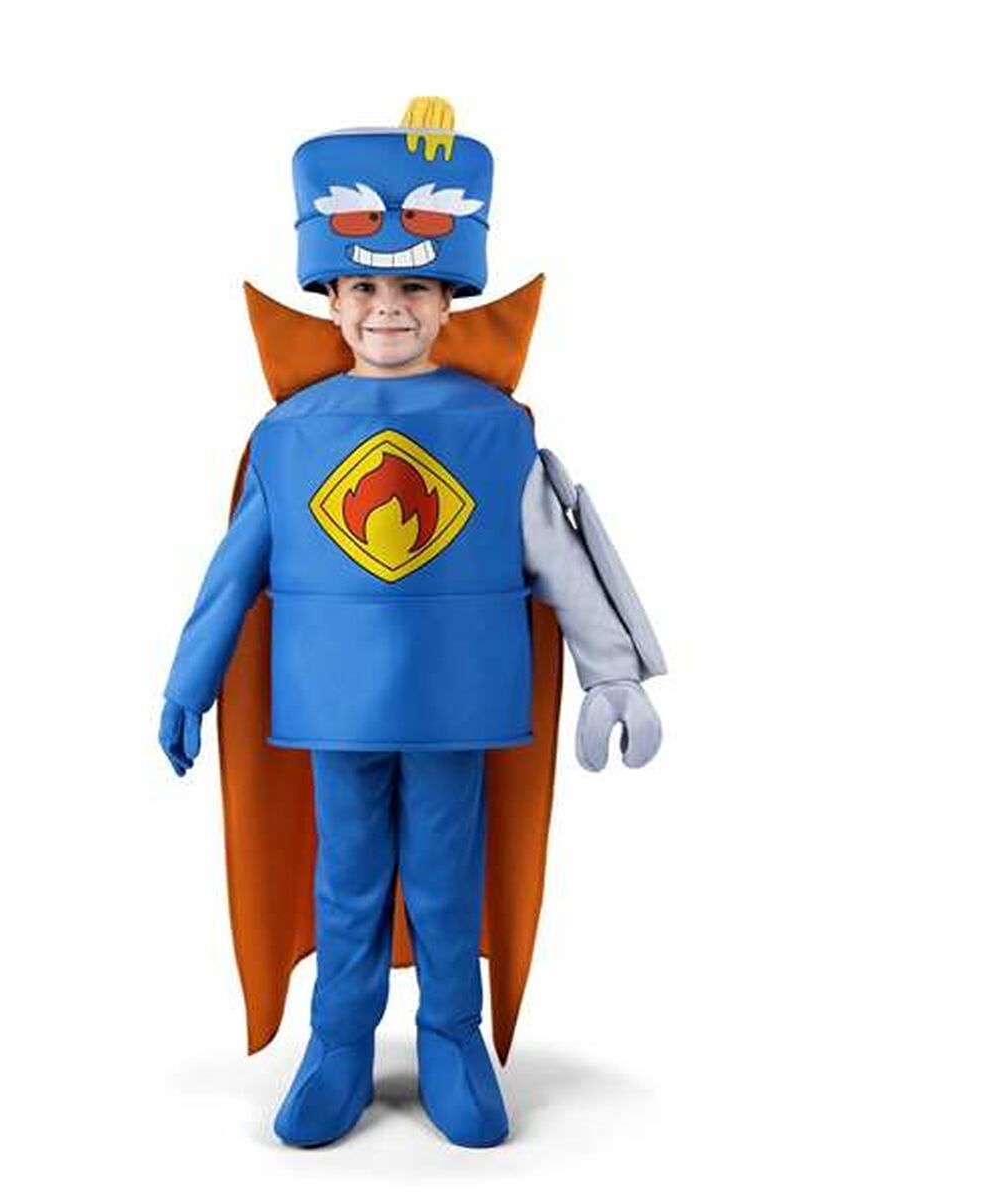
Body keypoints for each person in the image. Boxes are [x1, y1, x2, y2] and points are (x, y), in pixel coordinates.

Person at [159, 100, 666, 1149]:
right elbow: (231, 573)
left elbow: (557, 552)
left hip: (454, 700)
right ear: (332, 302)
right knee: (345, 878)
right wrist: (189, 681)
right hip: (333, 700)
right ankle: (338, 1041)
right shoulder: (289, 435)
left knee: (445, 875)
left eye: (411, 289)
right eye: (365, 288)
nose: (387, 308)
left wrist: (612, 672)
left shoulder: (495, 430)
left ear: (447, 303)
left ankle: (450, 1035)